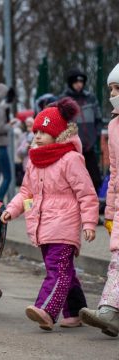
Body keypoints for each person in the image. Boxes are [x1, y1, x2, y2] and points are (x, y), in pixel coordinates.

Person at [1, 97, 98, 331]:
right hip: (42, 225)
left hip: (64, 225)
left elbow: (86, 194)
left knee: (57, 269)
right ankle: (74, 312)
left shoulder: (70, 159)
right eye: (36, 132)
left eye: (44, 132)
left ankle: (46, 309)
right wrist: (11, 210)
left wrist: (89, 223)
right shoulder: (34, 161)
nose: (37, 137)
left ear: (58, 134)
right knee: (64, 270)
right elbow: (26, 192)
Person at [79, 63, 119, 338]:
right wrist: (111, 210)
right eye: (111, 89)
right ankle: (108, 310)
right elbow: (114, 171)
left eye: (118, 88)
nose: (112, 94)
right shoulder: (114, 126)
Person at [60, 68, 103, 191]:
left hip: (89, 144)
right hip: (71, 145)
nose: (79, 85)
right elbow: (60, 121)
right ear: (71, 83)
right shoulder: (64, 99)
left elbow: (98, 119)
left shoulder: (90, 98)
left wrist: (96, 135)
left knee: (95, 177)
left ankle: (94, 201)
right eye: (76, 82)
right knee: (73, 177)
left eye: (81, 82)